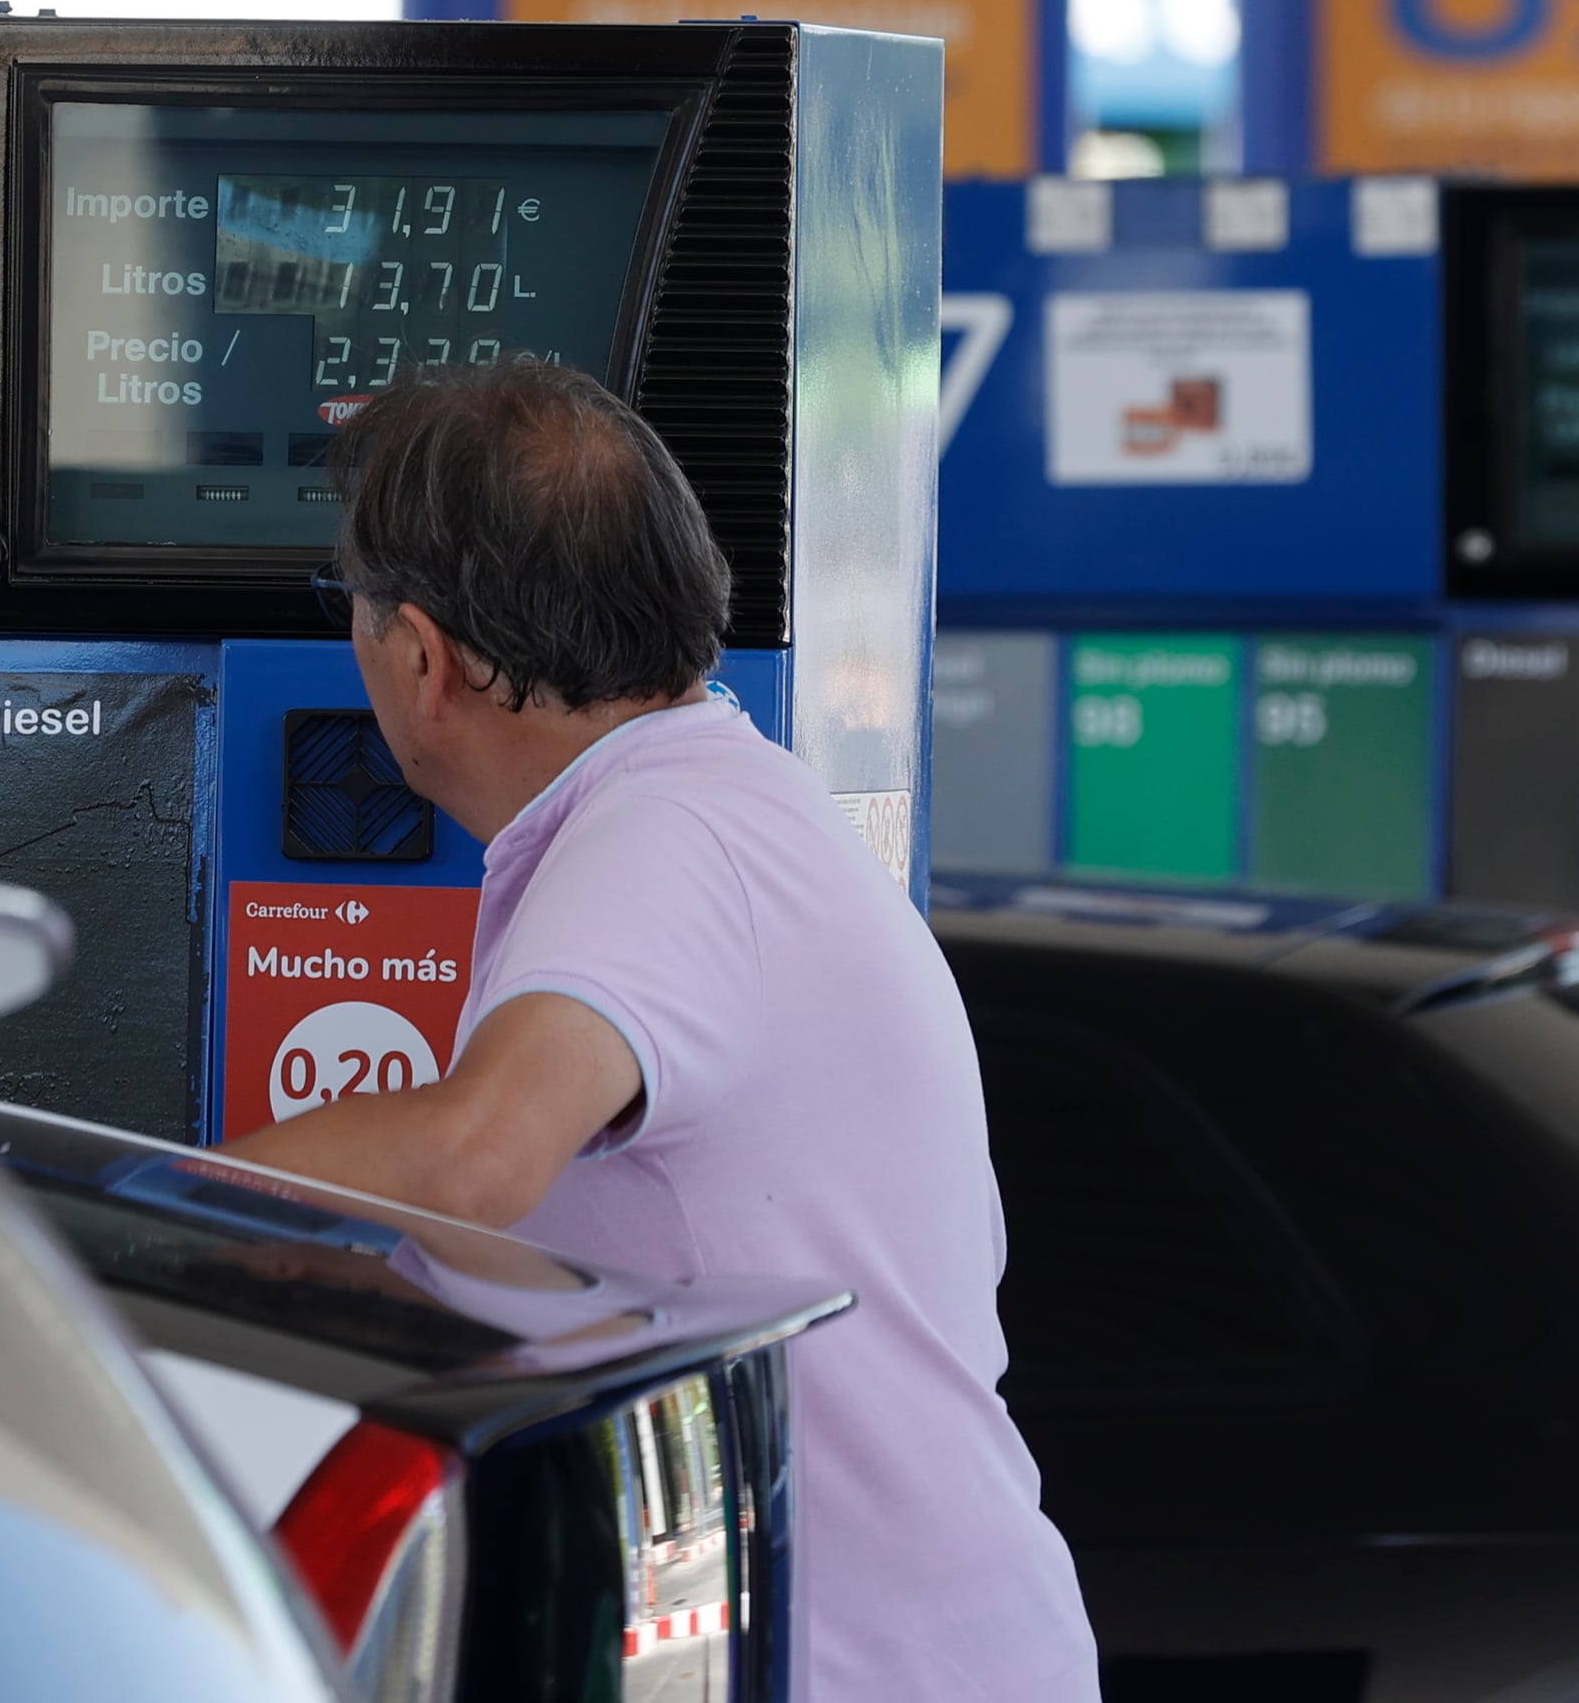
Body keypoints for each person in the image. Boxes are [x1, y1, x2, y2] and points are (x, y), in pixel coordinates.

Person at [224, 361, 1096, 1701]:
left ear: (418, 655)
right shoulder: (710, 805)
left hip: (857, 1666)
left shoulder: (666, 840)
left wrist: (158, 1210)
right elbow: (558, 1240)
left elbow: (477, 1154)